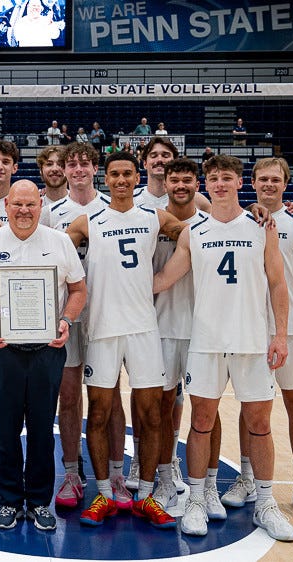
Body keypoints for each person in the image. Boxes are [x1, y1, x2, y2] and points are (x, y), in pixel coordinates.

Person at [153, 154, 293, 542]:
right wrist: (119, 289)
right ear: (206, 184)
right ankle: (197, 499)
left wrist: (280, 335)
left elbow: (278, 284)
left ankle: (266, 503)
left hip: (252, 341)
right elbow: (166, 278)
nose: (219, 184)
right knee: (200, 421)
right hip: (207, 342)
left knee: (261, 424)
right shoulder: (193, 231)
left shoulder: (260, 227)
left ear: (239, 183)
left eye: (226, 178)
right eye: (213, 178)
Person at [63, 151, 183, 529]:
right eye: (114, 174)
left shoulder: (154, 216)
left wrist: (164, 280)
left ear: (136, 177)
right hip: (101, 328)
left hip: (144, 328)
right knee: (98, 412)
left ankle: (145, 496)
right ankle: (104, 493)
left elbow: (194, 234)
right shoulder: (88, 221)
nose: (120, 180)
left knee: (150, 414)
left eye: (127, 174)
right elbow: (48, 243)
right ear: (106, 177)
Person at [0, 180, 86, 531]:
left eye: (30, 204)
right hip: (3, 351)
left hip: (48, 350)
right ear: (7, 205)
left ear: (40, 204)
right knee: (6, 429)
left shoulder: (59, 242)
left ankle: (40, 502)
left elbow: (78, 289)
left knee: (44, 429)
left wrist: (65, 320)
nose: (24, 211)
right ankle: (11, 501)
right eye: (17, 204)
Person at [222, 157, 293, 521]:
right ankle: (247, 477)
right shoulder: (241, 221)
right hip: (250, 328)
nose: (269, 185)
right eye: (262, 179)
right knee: (248, 407)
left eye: (275, 180)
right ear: (251, 182)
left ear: (285, 183)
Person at [45, 142, 111, 512]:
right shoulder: (52, 212)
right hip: (67, 314)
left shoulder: (113, 206)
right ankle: (72, 470)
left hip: (105, 313)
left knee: (107, 397)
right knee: (68, 396)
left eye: (85, 163)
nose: (79, 169)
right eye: (72, 164)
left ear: (94, 167)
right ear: (65, 170)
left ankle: (113, 471)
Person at [147, 158, 209, 513]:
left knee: (204, 406)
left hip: (202, 329)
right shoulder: (149, 220)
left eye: (188, 179)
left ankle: (208, 483)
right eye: (175, 180)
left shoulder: (210, 223)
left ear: (197, 184)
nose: (181, 185)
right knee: (160, 404)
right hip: (161, 325)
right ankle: (163, 473)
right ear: (165, 183)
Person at [37, 144, 68, 216]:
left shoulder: (79, 203)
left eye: (60, 164)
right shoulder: (31, 204)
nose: (55, 169)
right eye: (49, 164)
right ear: (41, 170)